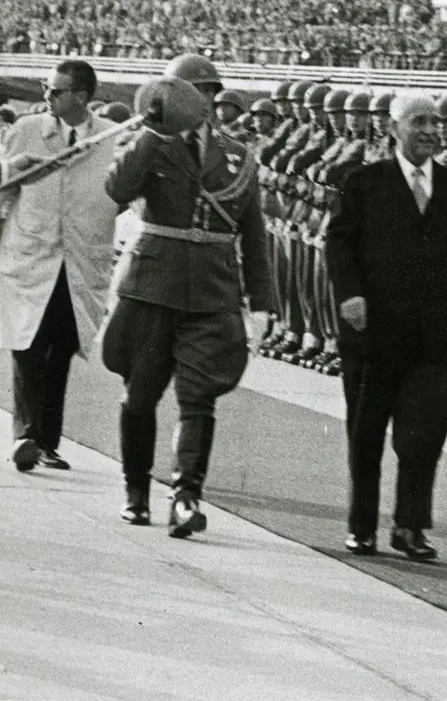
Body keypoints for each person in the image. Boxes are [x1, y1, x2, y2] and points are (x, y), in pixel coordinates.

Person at [102, 54, 273, 536]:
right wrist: (153, 134)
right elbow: (116, 190)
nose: (205, 100)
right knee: (139, 395)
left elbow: (254, 235)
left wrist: (262, 303)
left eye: (210, 92)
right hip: (152, 288)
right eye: (194, 92)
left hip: (212, 293)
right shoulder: (147, 141)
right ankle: (136, 489)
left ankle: (186, 495)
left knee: (198, 400)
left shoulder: (237, 154)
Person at [325, 95, 447, 560]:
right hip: (374, 335)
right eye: (419, 122)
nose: (431, 130)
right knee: (367, 434)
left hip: (434, 339)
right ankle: (363, 526)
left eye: (436, 122)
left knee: (425, 436)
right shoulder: (364, 182)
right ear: (394, 128)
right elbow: (339, 245)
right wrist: (350, 295)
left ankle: (411, 526)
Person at [1, 59, 120, 472]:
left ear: (82, 97)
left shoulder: (110, 138)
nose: (47, 96)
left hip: (80, 262)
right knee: (27, 346)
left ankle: (47, 441)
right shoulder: (26, 130)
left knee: (62, 348)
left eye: (56, 91)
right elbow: (4, 193)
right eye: (46, 87)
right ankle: (27, 436)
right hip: (32, 256)